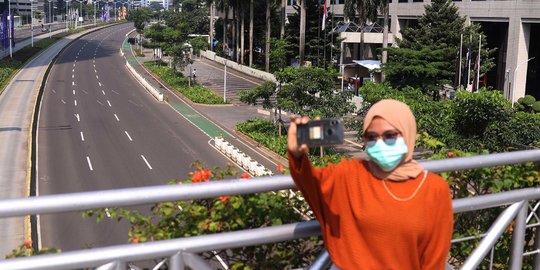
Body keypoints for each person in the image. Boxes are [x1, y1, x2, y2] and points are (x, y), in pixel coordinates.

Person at [287, 99, 453, 270]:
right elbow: (310, 182)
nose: (380, 143)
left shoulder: (435, 189)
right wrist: (297, 154)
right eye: (371, 137)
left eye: (390, 136)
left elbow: (434, 260)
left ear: (407, 133)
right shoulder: (350, 174)